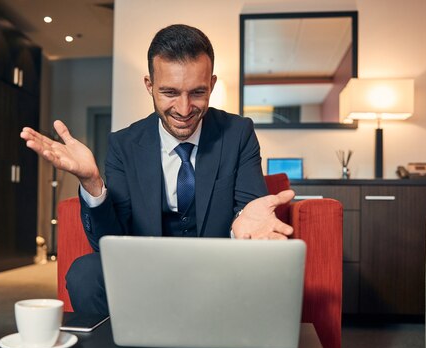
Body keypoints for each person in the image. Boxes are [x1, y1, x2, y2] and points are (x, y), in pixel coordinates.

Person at [21, 24, 295, 315]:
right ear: (149, 85)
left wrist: (241, 226)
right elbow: (111, 244)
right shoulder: (123, 144)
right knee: (85, 274)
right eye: (170, 92)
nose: (185, 108)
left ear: (212, 84)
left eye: (198, 92)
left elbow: (251, 211)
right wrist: (91, 182)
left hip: (219, 271)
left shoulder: (238, 133)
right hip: (147, 273)